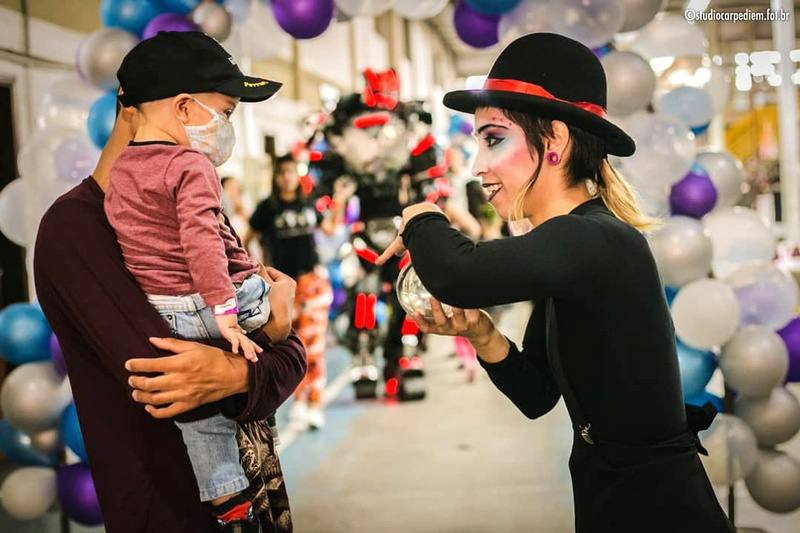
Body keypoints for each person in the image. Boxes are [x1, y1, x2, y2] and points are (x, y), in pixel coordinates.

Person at [377, 33, 734, 532]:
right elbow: (538, 393)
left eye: (494, 138)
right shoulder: (568, 247)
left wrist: (420, 215)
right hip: (608, 497)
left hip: (659, 509)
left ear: (555, 142)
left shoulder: (594, 240)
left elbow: (457, 273)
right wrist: (483, 335)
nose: (478, 165)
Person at [34, 52, 305, 533]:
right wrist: (275, 326)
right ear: (168, 108)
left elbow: (290, 359)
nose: (223, 127)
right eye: (223, 111)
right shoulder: (74, 230)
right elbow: (174, 381)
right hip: (170, 508)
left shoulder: (195, 207)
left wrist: (249, 361)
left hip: (256, 487)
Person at [103, 31, 286, 531]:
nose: (228, 124)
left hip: (162, 311)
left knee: (201, 421)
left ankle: (227, 500)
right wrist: (233, 311)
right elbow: (202, 243)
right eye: (225, 111)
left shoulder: (122, 170)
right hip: (207, 304)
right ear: (184, 108)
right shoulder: (191, 165)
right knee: (271, 294)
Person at [247, 155, 352, 429]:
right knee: (287, 347)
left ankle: (315, 402)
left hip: (312, 282)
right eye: (281, 172)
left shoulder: (308, 204)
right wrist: (257, 272)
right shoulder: (266, 209)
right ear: (275, 176)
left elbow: (329, 229)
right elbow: (245, 239)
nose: (286, 177)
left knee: (314, 347)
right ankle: (298, 402)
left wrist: (339, 199)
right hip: (280, 287)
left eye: (290, 172)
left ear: (297, 175)